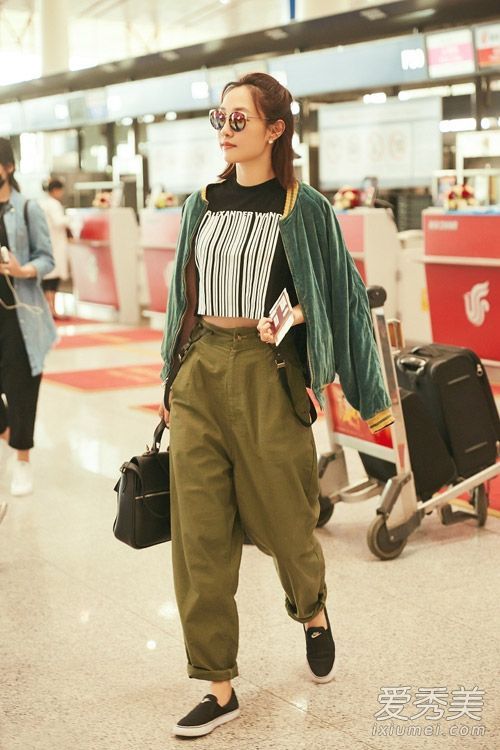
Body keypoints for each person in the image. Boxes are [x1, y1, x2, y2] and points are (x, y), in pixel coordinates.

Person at [159, 72, 394, 738]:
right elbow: (182, 300)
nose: (226, 130)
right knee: (200, 537)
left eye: (239, 119)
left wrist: (299, 326)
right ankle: (218, 685)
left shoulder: (305, 207)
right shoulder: (201, 203)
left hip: (269, 376)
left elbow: (339, 298)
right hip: (201, 369)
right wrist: (169, 381)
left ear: (275, 129)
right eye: (220, 118)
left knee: (289, 527)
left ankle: (312, 612)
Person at [0, 138, 57, 496]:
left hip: (19, 319)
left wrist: (23, 271)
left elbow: (47, 258)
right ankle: (10, 435)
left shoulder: (26, 208)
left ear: (7, 167)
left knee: (21, 392)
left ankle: (22, 461)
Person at [40, 178, 71, 318]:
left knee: (47, 278)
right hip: (55, 245)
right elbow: (59, 222)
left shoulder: (43, 203)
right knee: (52, 279)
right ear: (56, 190)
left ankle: (49, 308)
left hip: (47, 243)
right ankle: (51, 308)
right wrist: (70, 218)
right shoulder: (54, 204)